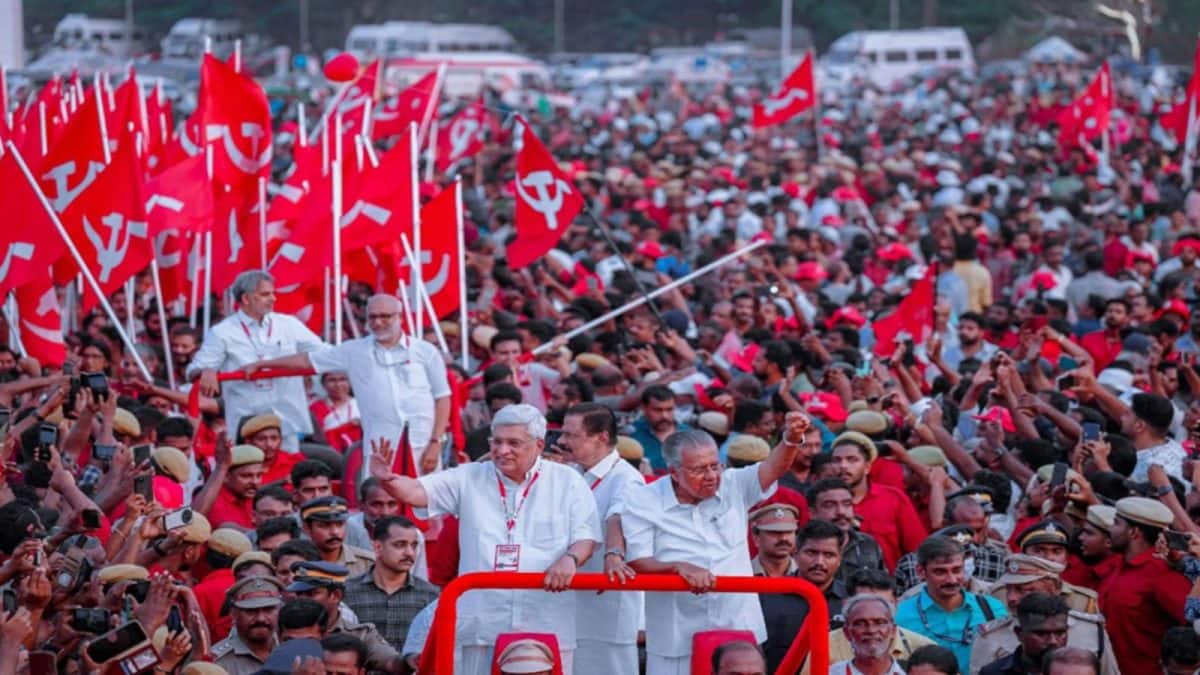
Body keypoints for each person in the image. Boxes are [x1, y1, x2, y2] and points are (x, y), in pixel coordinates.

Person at [367, 403, 601, 675]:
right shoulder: (469, 476)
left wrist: (570, 560)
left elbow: (586, 537)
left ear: (538, 444)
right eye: (497, 442)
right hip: (481, 621)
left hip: (545, 617)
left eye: (513, 443)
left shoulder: (567, 480)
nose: (502, 451)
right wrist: (389, 481)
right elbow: (418, 491)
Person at [615, 412, 809, 674]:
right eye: (698, 469)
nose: (711, 476)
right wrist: (677, 567)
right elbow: (638, 560)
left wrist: (791, 438)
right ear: (674, 472)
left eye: (714, 465)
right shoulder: (644, 499)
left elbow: (773, 468)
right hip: (676, 637)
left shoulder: (733, 484)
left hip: (737, 626)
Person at [244, 293, 451, 476]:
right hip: (381, 448)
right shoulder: (354, 351)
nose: (378, 322)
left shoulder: (425, 351)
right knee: (381, 505)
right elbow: (307, 360)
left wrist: (435, 443)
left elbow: (442, 398)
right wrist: (264, 364)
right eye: (372, 317)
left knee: (427, 508)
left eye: (385, 316)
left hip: (423, 445)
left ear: (400, 317)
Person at [189, 270, 325, 452]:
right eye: (265, 294)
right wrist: (206, 371)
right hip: (246, 425)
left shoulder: (288, 324)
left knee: (287, 473)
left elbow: (324, 353)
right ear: (246, 298)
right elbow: (194, 368)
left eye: (273, 293)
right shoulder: (223, 331)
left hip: (286, 422)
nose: (273, 299)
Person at [558, 402, 644, 675]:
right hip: (568, 605)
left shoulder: (626, 479)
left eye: (571, 435)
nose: (562, 441)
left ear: (602, 437)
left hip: (605, 611)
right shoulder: (572, 473)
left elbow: (617, 518)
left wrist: (613, 553)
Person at [971, 555, 1118, 675]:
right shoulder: (991, 634)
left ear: (1054, 589)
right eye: (1008, 589)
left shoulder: (1090, 630)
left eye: (1024, 590)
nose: (1011, 598)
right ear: (1020, 634)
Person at [1098, 496, 1190, 675]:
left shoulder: (1161, 573)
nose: (1110, 529)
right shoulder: (1118, 565)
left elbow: (1192, 619)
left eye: (1116, 523)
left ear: (1134, 533)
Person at [895, 536, 1008, 673]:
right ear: (920, 572)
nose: (951, 579)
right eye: (940, 572)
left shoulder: (992, 609)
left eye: (956, 570)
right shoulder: (900, 615)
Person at [830, 431, 927, 570]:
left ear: (867, 467)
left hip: (888, 586)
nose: (843, 466)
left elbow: (917, 548)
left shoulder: (893, 498)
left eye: (852, 459)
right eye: (837, 460)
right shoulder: (820, 500)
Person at [341, 516, 439, 651]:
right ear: (377, 547)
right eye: (400, 545)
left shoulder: (431, 596)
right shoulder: (347, 592)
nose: (409, 553)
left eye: (414, 545)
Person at [286, 561, 404, 672]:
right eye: (299, 593)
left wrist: (409, 661)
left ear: (336, 596)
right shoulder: (283, 629)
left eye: (311, 594)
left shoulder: (360, 635)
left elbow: (390, 661)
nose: (302, 600)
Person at [806, 479, 887, 585]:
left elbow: (883, 586)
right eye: (830, 505)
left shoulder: (867, 544)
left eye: (846, 504)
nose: (841, 512)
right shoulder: (802, 546)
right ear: (813, 513)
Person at [978, 593, 1070, 675]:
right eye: (1041, 633)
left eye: (1059, 633)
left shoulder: (1080, 670)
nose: (1052, 641)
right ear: (1019, 634)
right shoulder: (993, 672)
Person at [212, 576, 285, 675]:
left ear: (280, 610)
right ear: (234, 614)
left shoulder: (290, 649)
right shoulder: (217, 661)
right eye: (251, 611)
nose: (260, 618)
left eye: (268, 610)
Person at [829, 594, 907, 675]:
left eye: (879, 623)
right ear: (847, 633)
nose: (871, 630)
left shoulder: (911, 672)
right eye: (860, 624)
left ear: (893, 631)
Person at [299, 496, 376, 577]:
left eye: (340, 524)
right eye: (325, 526)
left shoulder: (367, 563)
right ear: (307, 528)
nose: (335, 532)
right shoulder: (298, 562)